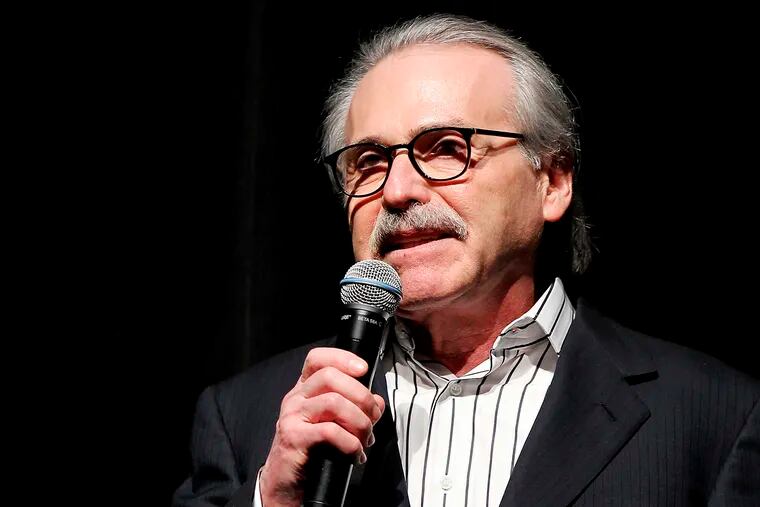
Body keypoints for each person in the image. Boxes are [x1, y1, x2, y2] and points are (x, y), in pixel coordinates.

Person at [172, 14, 759, 507]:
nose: (397, 190)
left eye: (446, 149)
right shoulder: (245, 418)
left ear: (552, 182)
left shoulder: (714, 417)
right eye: (369, 161)